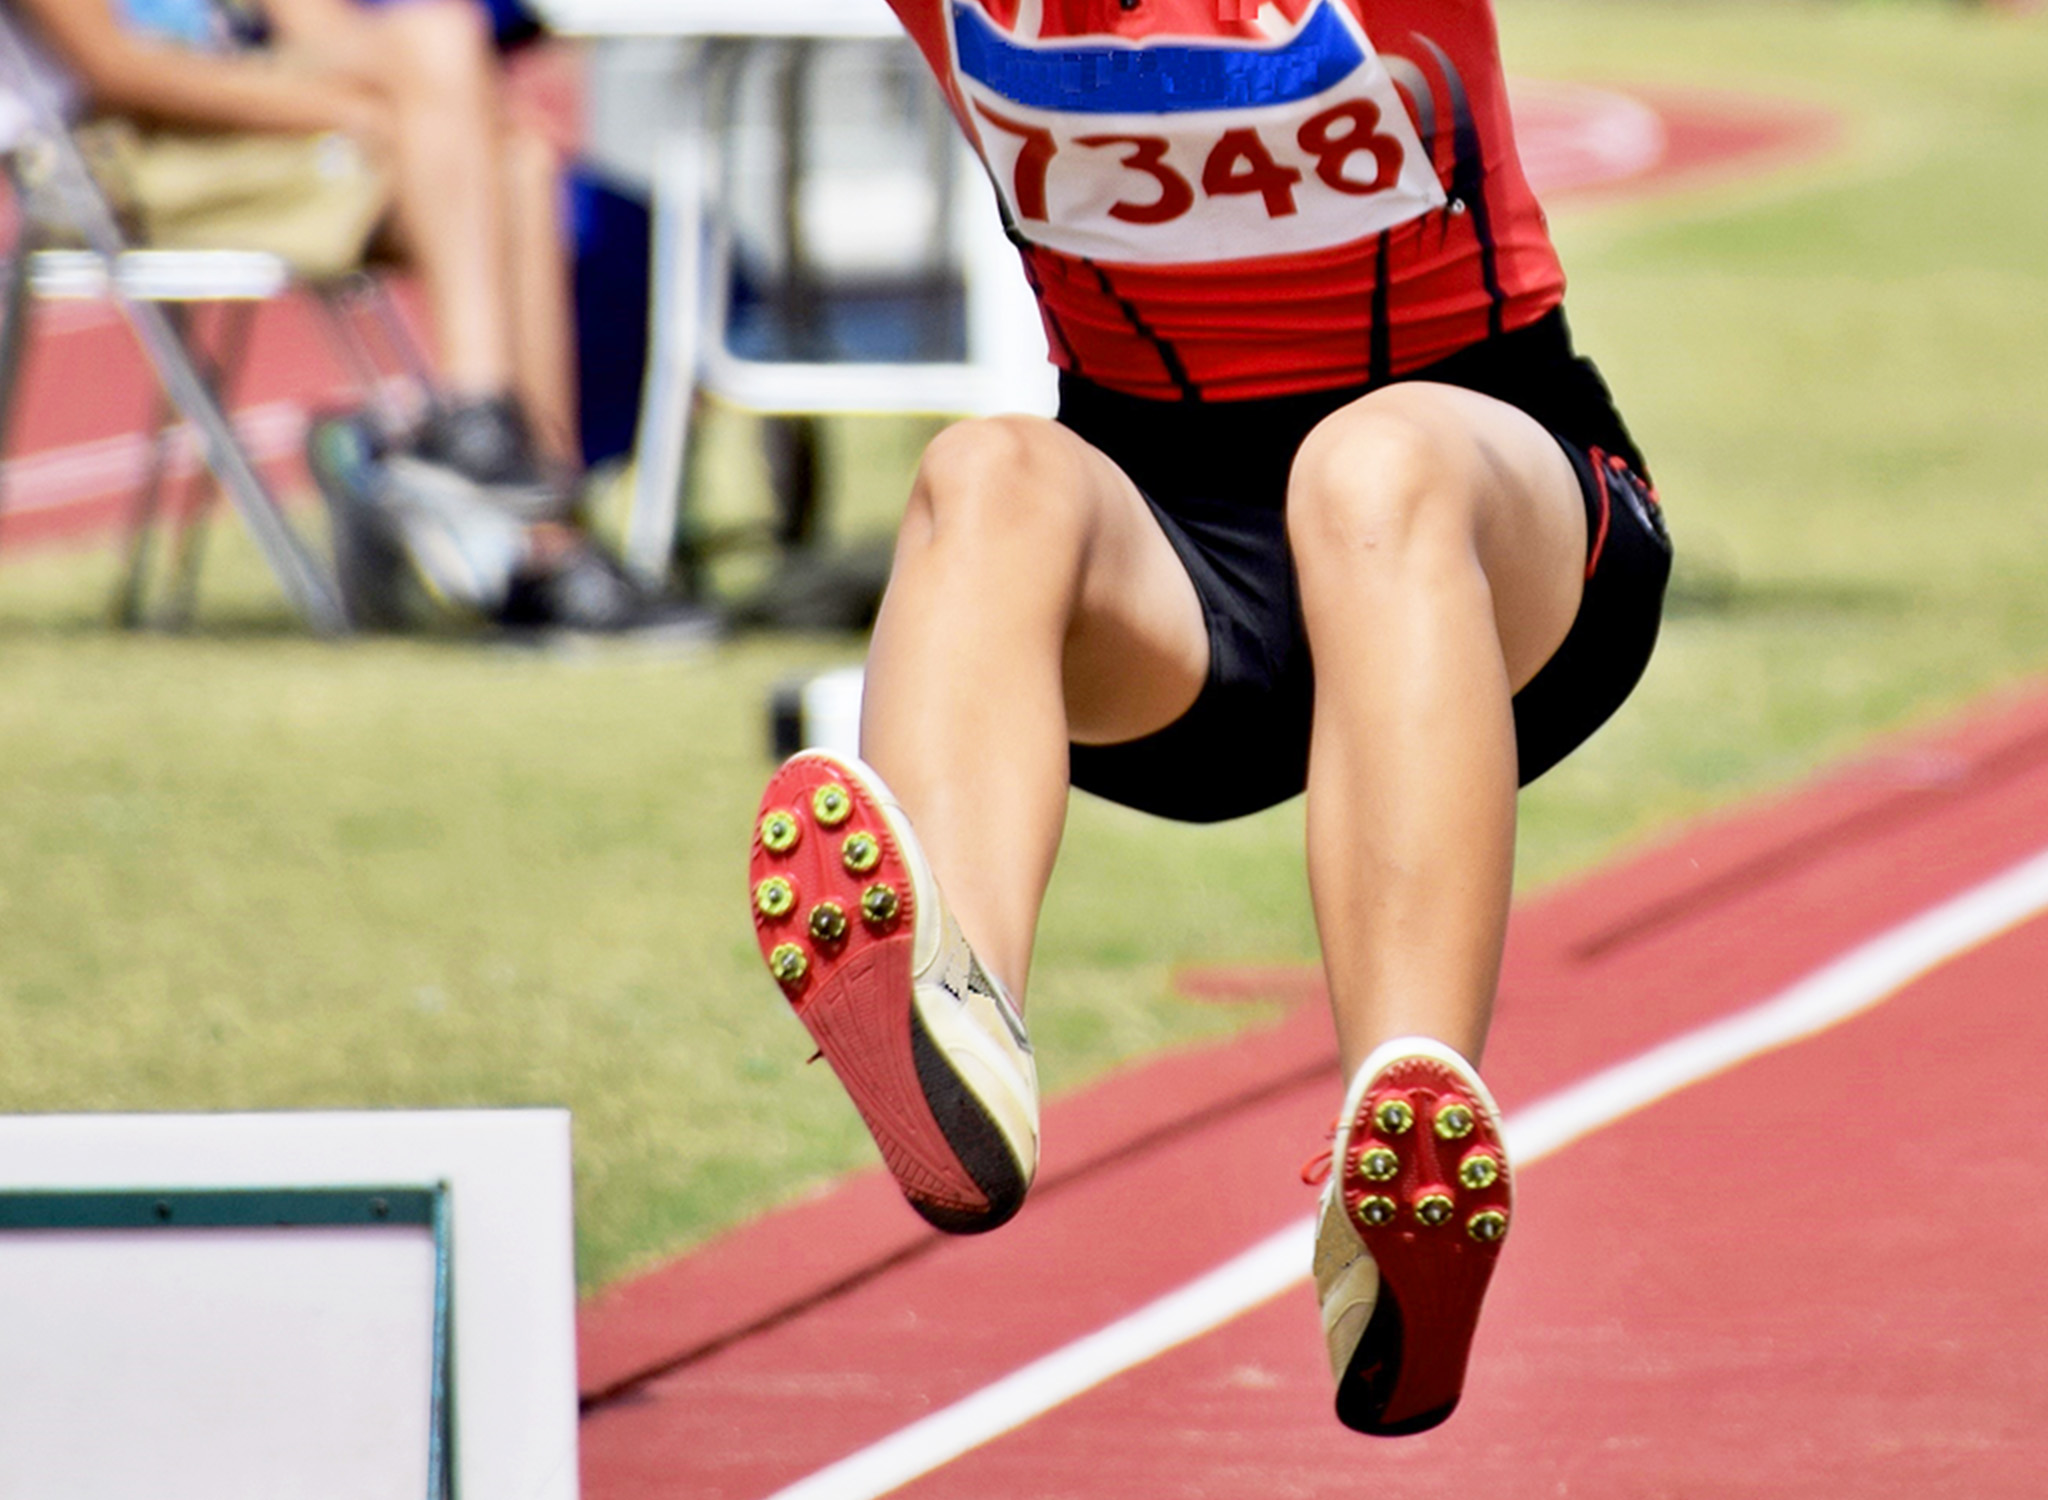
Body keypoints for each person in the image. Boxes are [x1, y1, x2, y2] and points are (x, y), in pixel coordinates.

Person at [745, 0, 1672, 1436]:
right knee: (986, 474)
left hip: (1499, 525)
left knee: (1371, 468)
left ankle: (1408, 1170)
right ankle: (951, 1010)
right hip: (1183, 576)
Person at [11, 0, 648, 630]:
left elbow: (316, 25)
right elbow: (117, 73)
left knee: (493, 119)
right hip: (125, 156)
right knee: (473, 128)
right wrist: (360, 112)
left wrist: (434, 99)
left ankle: (523, 509)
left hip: (255, 130)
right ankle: (469, 456)